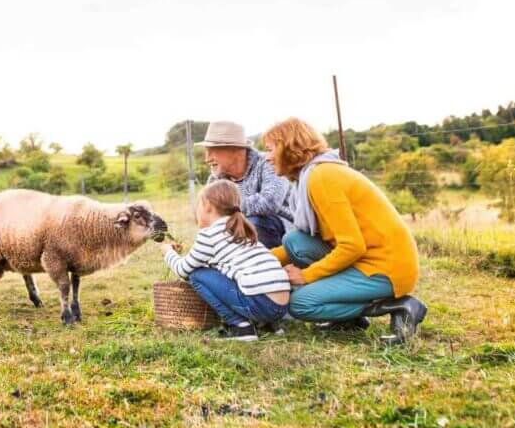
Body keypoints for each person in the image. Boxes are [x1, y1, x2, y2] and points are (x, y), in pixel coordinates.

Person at [261, 117, 427, 344]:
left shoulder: (322, 178)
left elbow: (352, 245)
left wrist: (306, 276)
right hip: (366, 259)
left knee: (300, 304)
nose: (267, 157)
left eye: (270, 149)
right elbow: (313, 243)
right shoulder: (313, 176)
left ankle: (399, 305)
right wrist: (258, 260)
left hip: (386, 268)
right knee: (295, 241)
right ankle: (349, 319)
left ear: (290, 148)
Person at [160, 179, 290, 342]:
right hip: (282, 306)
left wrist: (168, 253)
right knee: (234, 274)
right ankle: (269, 324)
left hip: (261, 303)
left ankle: (241, 327)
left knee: (197, 275)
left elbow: (183, 270)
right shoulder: (239, 229)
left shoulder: (209, 234)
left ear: (207, 205)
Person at [197, 120, 292, 248]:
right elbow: (206, 213)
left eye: (212, 150)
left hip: (286, 235)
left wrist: (223, 207)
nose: (207, 158)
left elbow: (269, 203)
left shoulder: (269, 163)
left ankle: (271, 265)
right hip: (244, 234)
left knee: (252, 222)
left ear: (235, 149)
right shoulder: (216, 179)